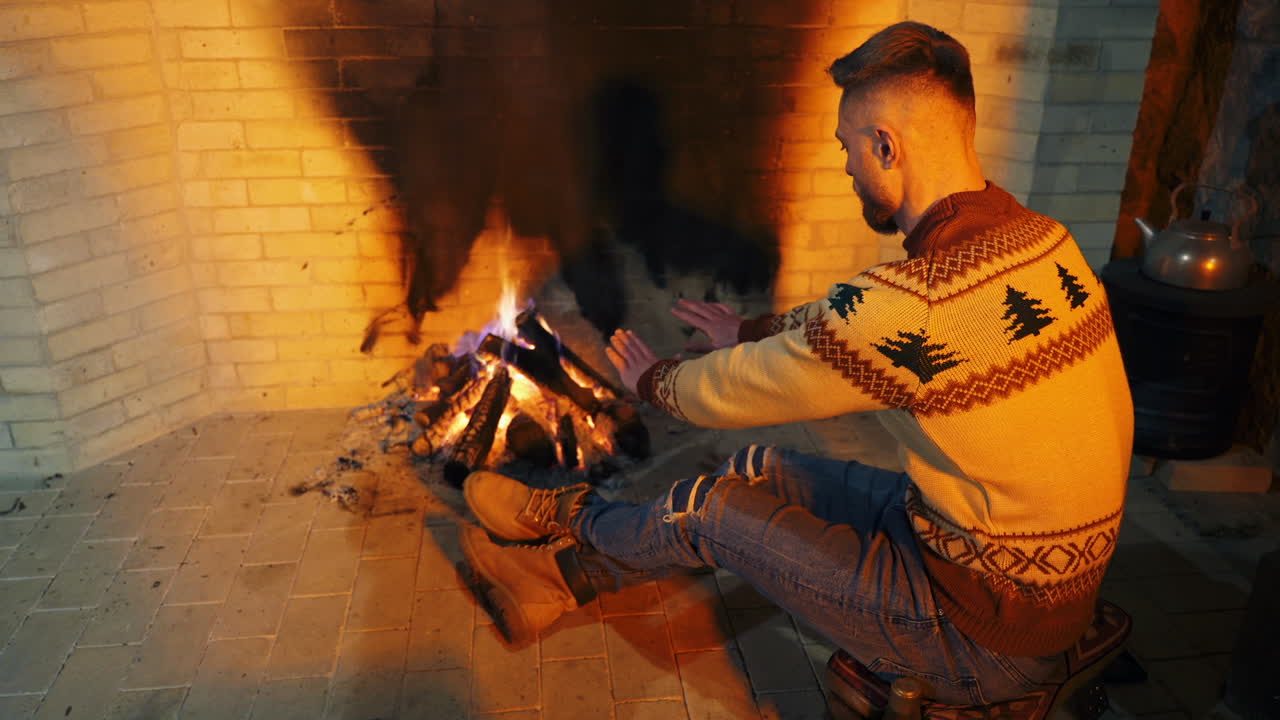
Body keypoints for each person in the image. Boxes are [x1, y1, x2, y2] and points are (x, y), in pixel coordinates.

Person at [459, 21, 1134, 706]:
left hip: (981, 635)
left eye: (848, 148)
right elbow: (859, 325)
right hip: (999, 573)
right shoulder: (1044, 241)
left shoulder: (918, 301)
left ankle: (566, 521)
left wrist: (652, 381)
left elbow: (737, 389)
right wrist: (752, 328)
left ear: (886, 146)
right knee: (757, 468)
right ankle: (560, 579)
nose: (845, 167)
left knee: (709, 510)